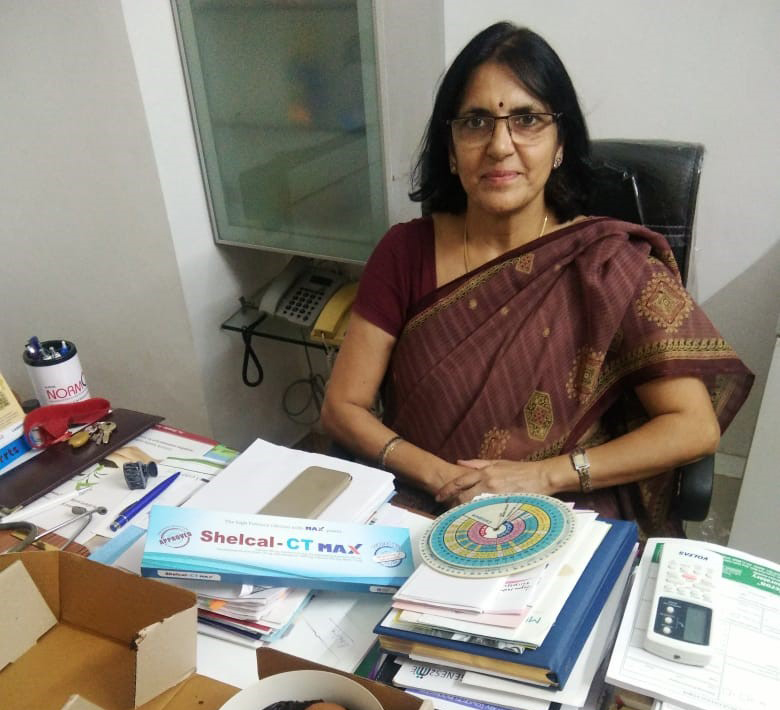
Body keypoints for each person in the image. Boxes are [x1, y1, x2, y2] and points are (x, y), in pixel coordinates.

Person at [320, 22, 753, 538]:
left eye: (526, 120)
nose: (500, 146)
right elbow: (342, 407)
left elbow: (693, 426)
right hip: (416, 507)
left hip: (561, 512)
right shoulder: (404, 252)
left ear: (560, 143)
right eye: (476, 122)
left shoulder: (609, 265)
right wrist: (444, 479)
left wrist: (540, 476)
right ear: (451, 149)